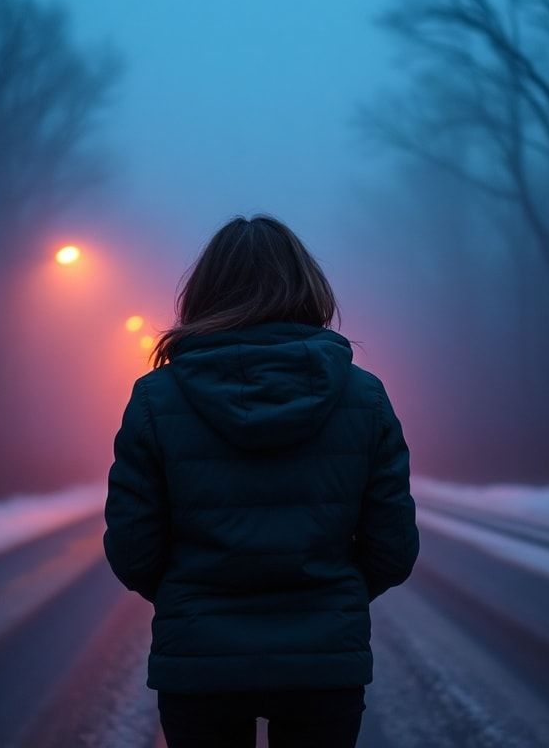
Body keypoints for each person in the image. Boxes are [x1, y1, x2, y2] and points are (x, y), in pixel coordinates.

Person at [103, 214, 420, 748]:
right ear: (307, 286)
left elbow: (133, 549)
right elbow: (393, 549)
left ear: (203, 292)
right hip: (323, 667)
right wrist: (330, 595)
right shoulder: (363, 397)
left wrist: (191, 597)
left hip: (200, 664)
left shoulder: (156, 399)